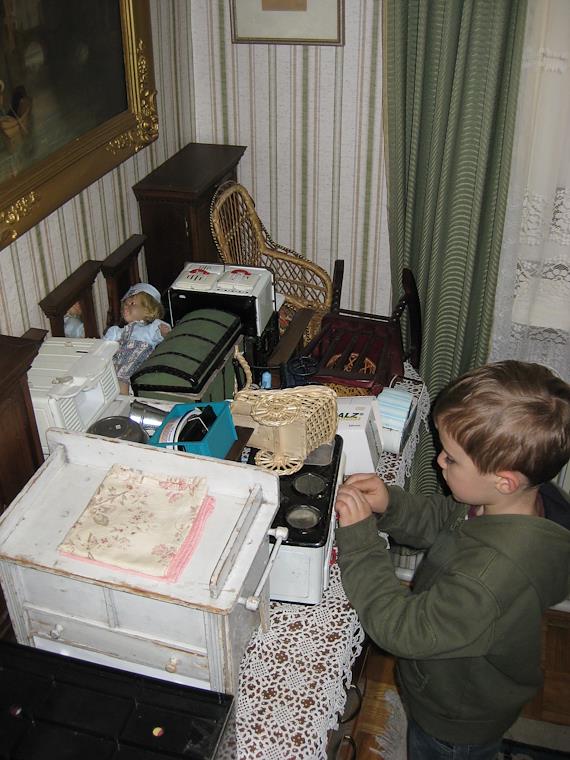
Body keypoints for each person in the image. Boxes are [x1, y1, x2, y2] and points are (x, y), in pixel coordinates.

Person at [335, 360, 570, 760]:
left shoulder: (490, 577)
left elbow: (402, 630)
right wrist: (391, 504)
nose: (439, 461)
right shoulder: (510, 502)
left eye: (452, 459)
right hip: (452, 684)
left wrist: (359, 540)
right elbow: (446, 519)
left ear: (504, 480)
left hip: (454, 717)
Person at [103, 282, 170, 394]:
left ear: (148, 309)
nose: (126, 306)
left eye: (132, 303)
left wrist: (164, 332)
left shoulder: (151, 327)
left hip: (136, 362)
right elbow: (105, 344)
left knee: (121, 375)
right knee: (107, 372)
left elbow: (165, 334)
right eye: (125, 304)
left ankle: (124, 399)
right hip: (117, 361)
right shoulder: (118, 331)